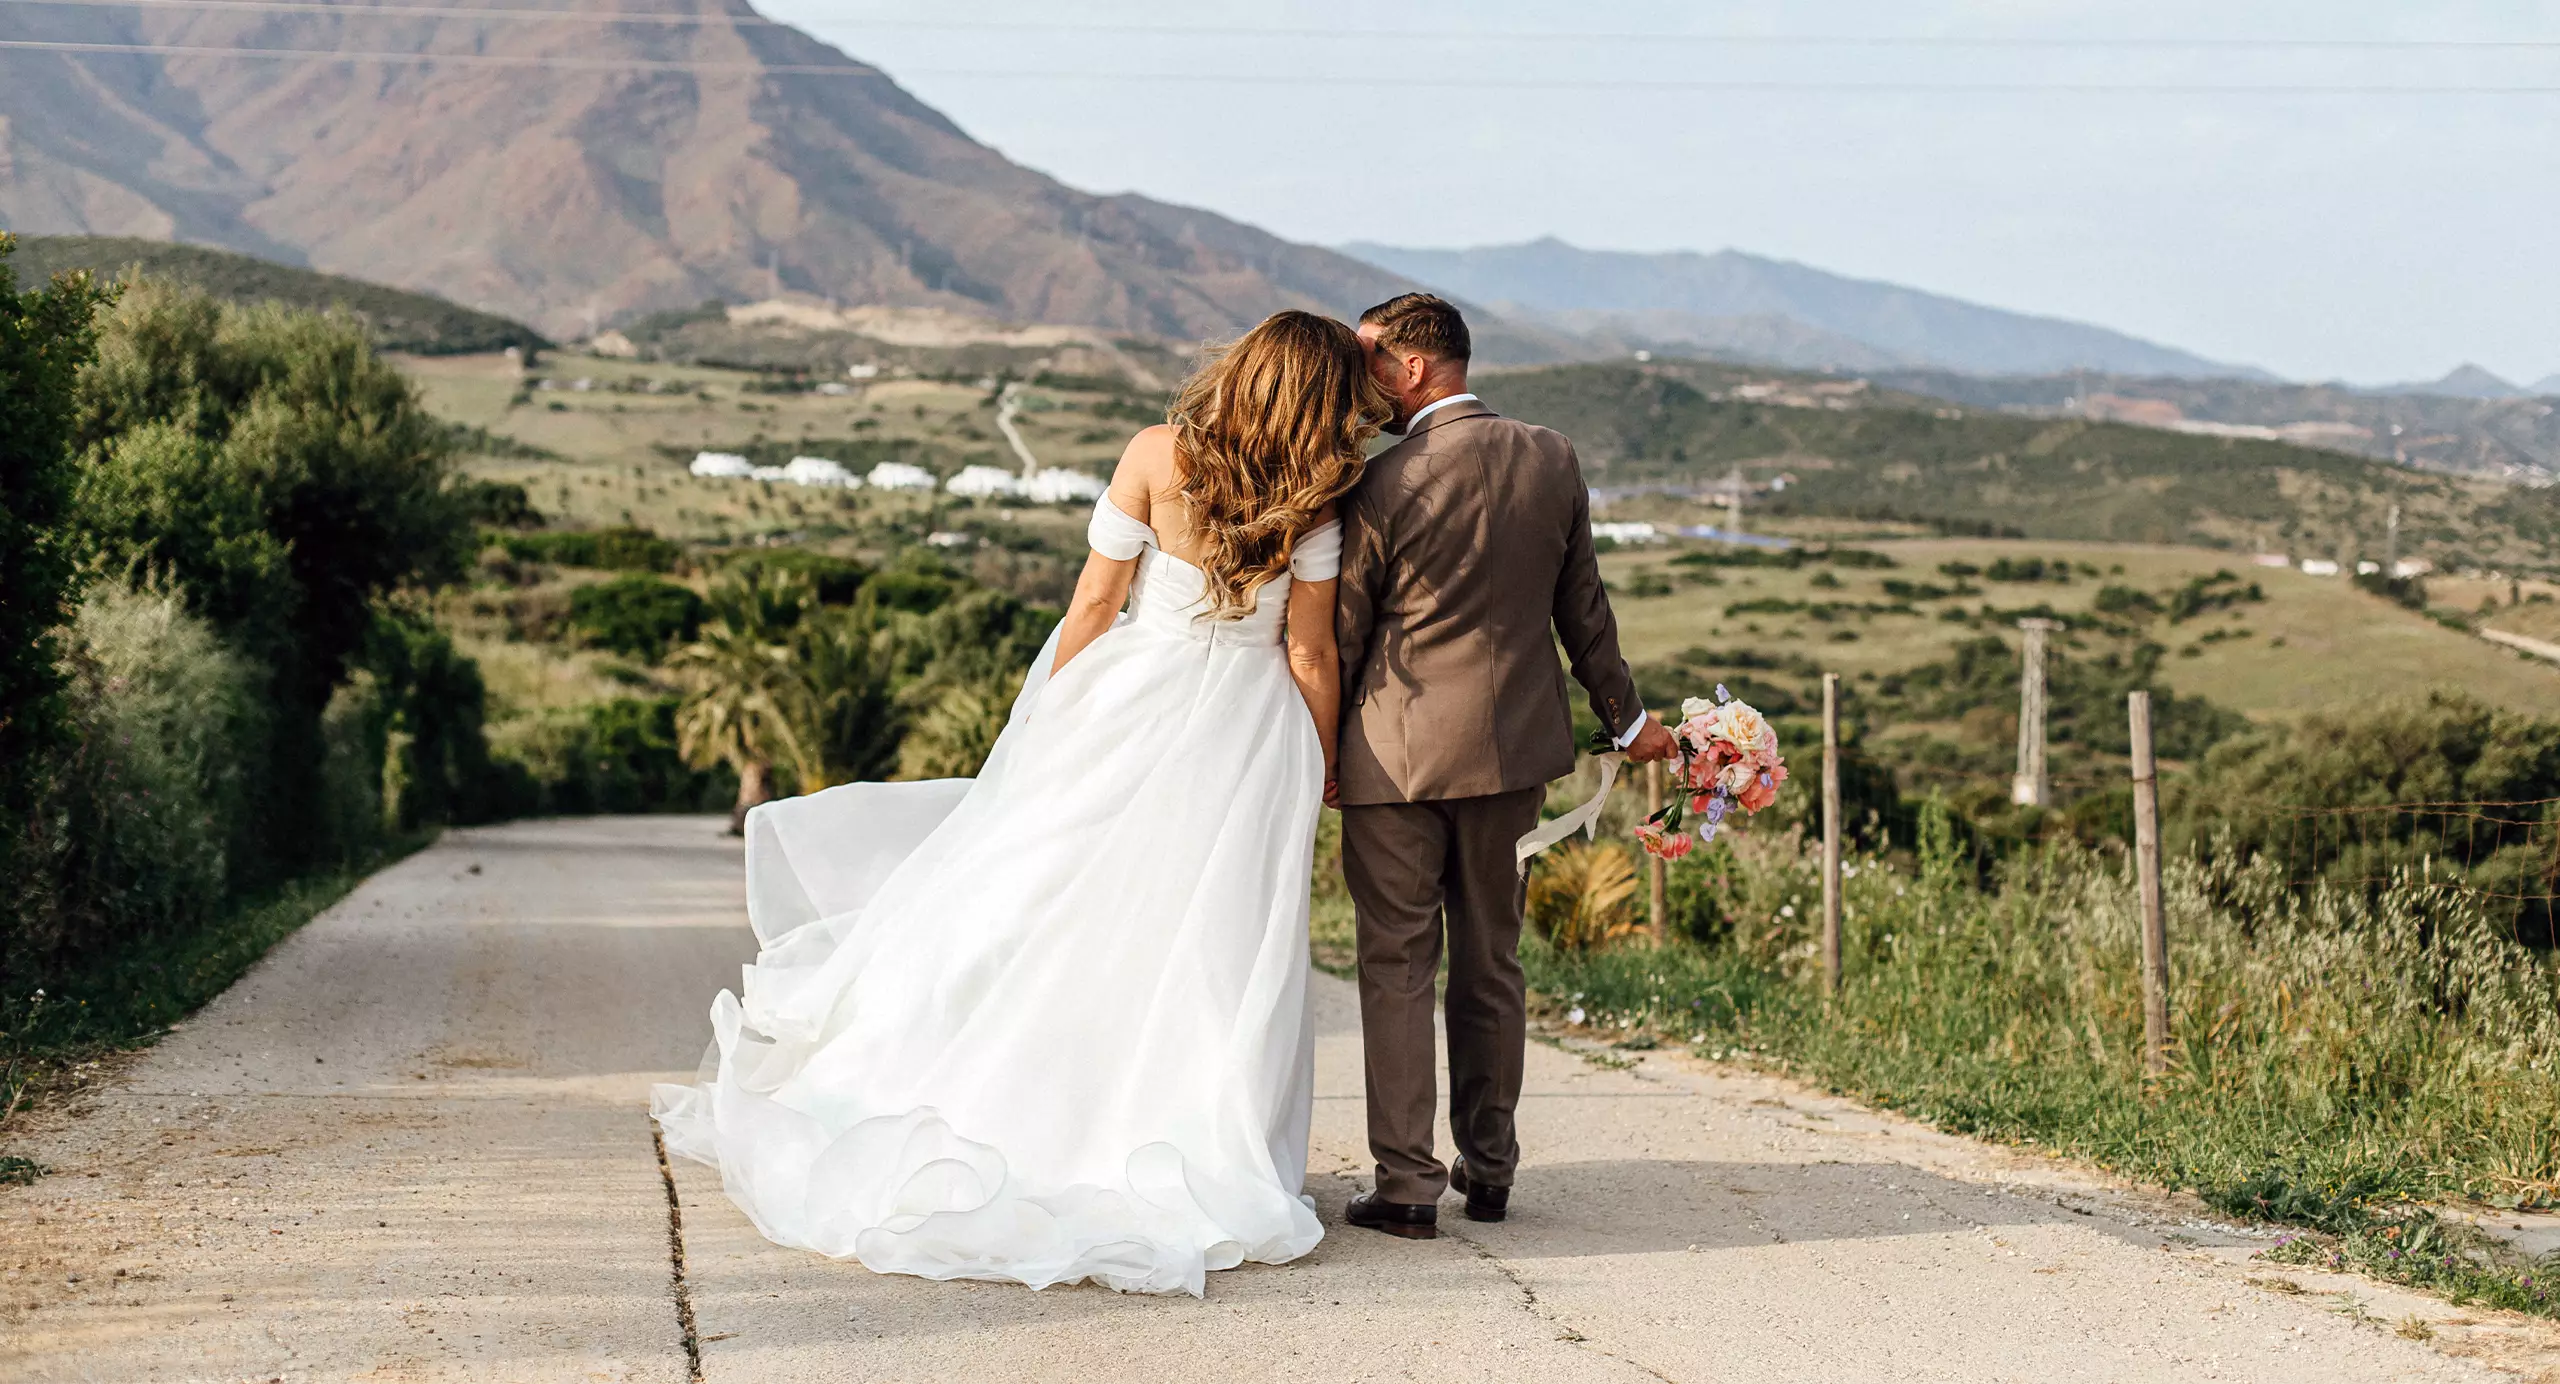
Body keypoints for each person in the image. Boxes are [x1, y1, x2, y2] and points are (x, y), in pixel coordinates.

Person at [652, 311, 1391, 1297]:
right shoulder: (1319, 493)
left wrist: (1046, 718)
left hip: (1131, 699)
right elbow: (1309, 650)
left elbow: (1092, 603)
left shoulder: (1155, 453)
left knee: (1045, 901)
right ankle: (1185, 1135)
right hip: (1247, 734)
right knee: (1206, 936)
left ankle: (1010, 1104)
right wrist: (1324, 754)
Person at [1332, 293, 1677, 1241]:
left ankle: (1406, 1186)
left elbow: (1347, 630)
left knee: (1397, 963)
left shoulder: (1378, 484)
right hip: (1514, 753)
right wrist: (1630, 719)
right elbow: (1585, 613)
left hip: (1391, 759)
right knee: (1491, 962)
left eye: (1366, 357)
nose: (1358, 376)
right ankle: (1491, 1170)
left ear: (1411, 367)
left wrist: (1318, 751)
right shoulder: (1552, 455)